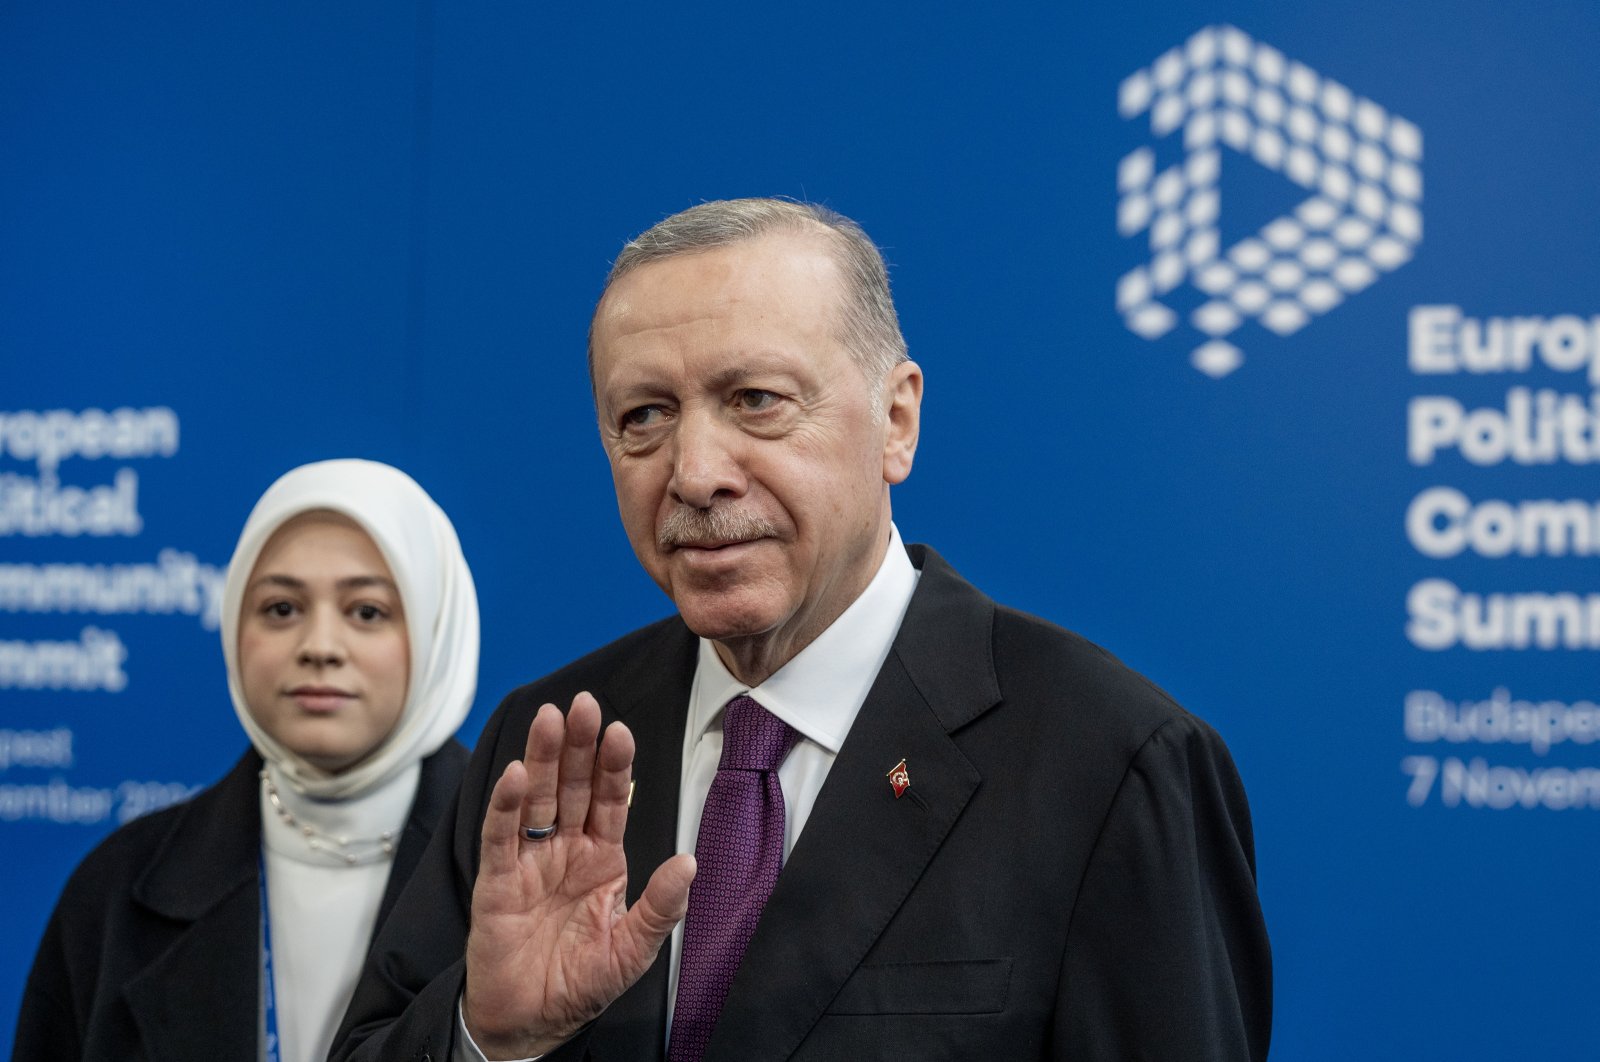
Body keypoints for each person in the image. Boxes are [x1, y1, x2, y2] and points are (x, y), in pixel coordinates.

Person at [335, 199, 1271, 1062]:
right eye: (645, 417)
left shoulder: (1109, 762)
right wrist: (487, 1040)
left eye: (757, 401)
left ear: (895, 420)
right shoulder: (549, 742)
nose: (696, 473)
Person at [13, 458, 480, 1062]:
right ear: (235, 625)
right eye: (281, 609)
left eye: (367, 611)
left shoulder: (522, 868)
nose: (319, 647)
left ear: (436, 632)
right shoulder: (115, 890)